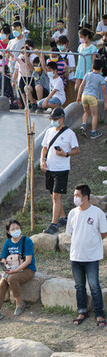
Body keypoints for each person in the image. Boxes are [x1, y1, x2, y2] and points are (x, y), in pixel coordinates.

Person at [67, 184, 107, 327]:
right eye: (74, 195)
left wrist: (92, 243)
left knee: (94, 285)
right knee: (79, 286)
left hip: (91, 257)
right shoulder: (72, 213)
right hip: (75, 256)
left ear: (86, 197)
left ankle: (99, 314)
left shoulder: (97, 213)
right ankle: (82, 311)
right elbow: (71, 233)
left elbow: (103, 233)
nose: (75, 198)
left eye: (77, 195)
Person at [40, 107, 79, 235]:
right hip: (50, 168)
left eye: (55, 119)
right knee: (53, 196)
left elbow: (76, 149)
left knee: (57, 196)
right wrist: (42, 160)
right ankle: (63, 218)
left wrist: (65, 154)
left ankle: (53, 223)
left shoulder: (69, 133)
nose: (53, 121)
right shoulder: (49, 131)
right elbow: (44, 148)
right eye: (52, 119)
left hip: (62, 169)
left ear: (62, 119)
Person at [0, 220, 35, 323]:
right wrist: (4, 263)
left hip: (27, 269)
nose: (16, 230)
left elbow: (28, 261)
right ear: (9, 232)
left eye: (17, 228)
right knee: (2, 282)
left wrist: (15, 271)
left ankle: (19, 302)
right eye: (13, 229)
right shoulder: (8, 242)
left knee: (11, 278)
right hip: (12, 269)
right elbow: (4, 257)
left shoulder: (26, 240)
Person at [76, 58, 107, 139]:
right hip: (92, 97)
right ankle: (93, 132)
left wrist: (78, 96)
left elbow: (81, 86)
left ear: (92, 66)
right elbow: (103, 91)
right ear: (101, 69)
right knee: (94, 115)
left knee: (86, 112)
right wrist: (106, 102)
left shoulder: (87, 74)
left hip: (84, 96)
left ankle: (83, 125)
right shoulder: (101, 78)